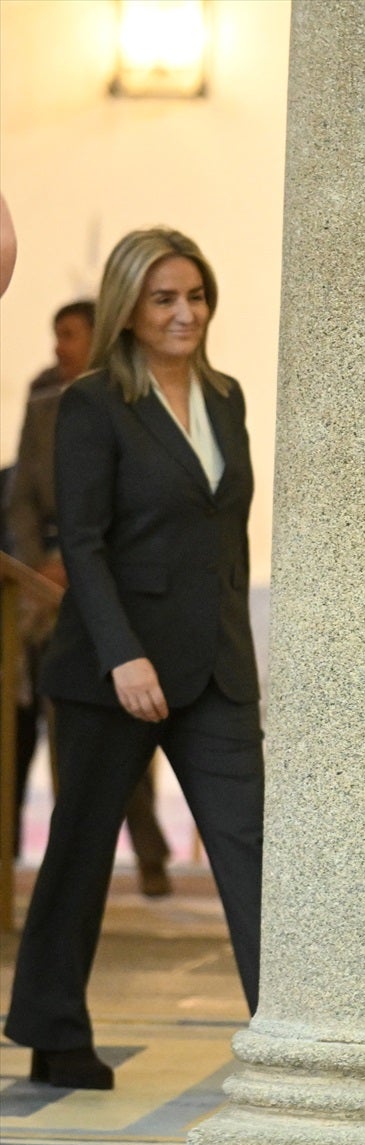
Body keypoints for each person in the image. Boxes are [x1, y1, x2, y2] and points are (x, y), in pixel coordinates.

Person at [3, 228, 263, 1090]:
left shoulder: (226, 396)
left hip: (216, 668)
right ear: (131, 309)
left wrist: (247, 654)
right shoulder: (90, 404)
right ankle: (52, 1029)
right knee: (79, 853)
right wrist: (125, 657)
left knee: (254, 848)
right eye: (165, 298)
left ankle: (294, 1030)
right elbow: (82, 540)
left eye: (196, 295)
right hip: (114, 670)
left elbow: (228, 540)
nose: (185, 312)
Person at [8, 300, 174, 895]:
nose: (59, 347)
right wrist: (35, 568)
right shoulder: (41, 394)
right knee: (48, 727)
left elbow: (129, 495)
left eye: (70, 335)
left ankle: (150, 856)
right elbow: (25, 491)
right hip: (42, 586)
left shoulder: (127, 391)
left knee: (117, 731)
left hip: (105, 574)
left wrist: (79, 564)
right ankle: (59, 866)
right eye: (55, 336)